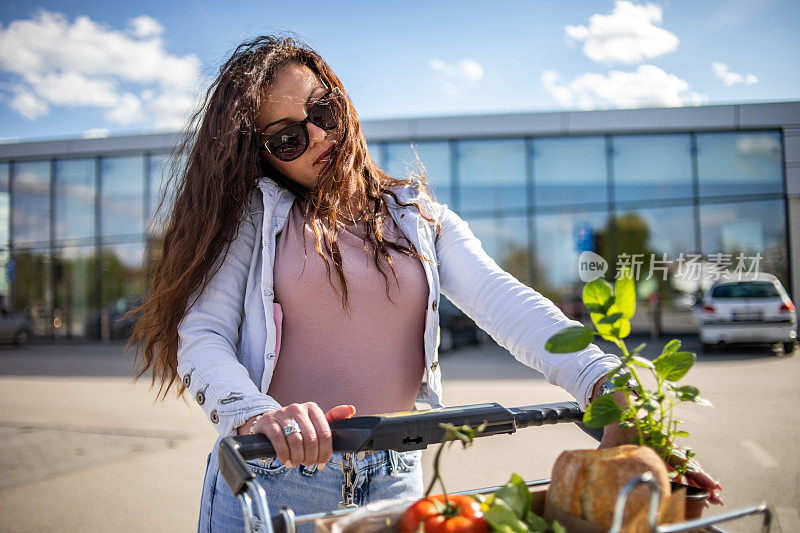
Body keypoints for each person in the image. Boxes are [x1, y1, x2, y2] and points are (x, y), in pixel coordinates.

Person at [130, 35, 721, 533]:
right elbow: (202, 335)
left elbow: (508, 304)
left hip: (397, 475)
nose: (316, 137)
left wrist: (602, 381)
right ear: (261, 155)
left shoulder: (418, 215)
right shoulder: (252, 219)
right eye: (286, 137)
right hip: (274, 479)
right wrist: (258, 414)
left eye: (323, 111)